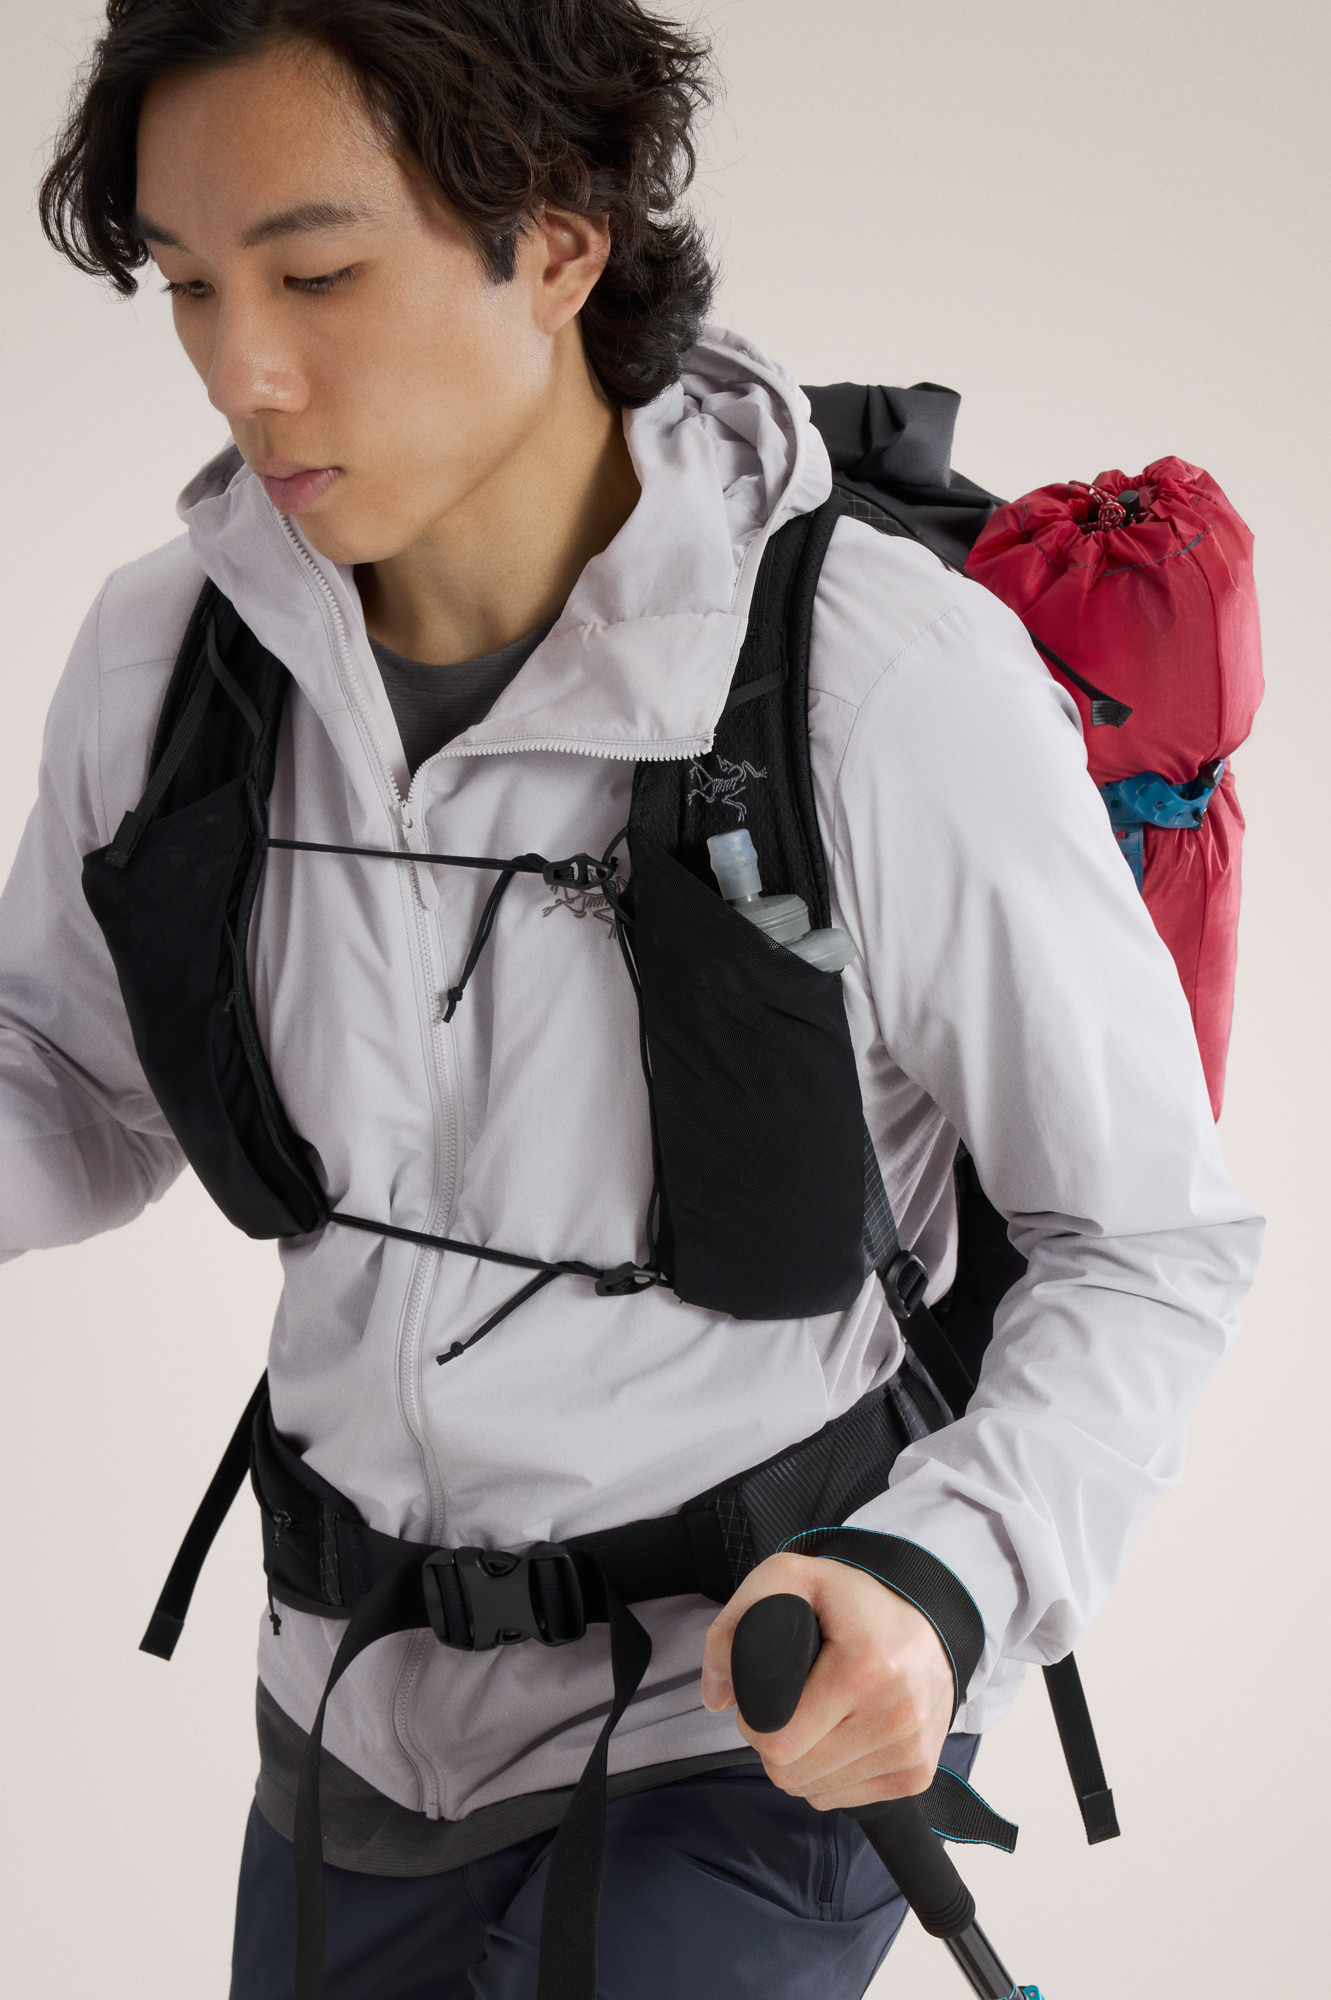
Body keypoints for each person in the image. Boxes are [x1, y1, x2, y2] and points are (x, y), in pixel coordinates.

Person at [7, 2, 1263, 1995]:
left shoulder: (874, 680)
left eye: (318, 276)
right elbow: (69, 1081)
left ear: (562, 241)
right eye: (188, 286)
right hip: (346, 1710)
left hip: (755, 1717)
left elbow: (1148, 1240)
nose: (245, 371)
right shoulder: (177, 654)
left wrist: (947, 1579)